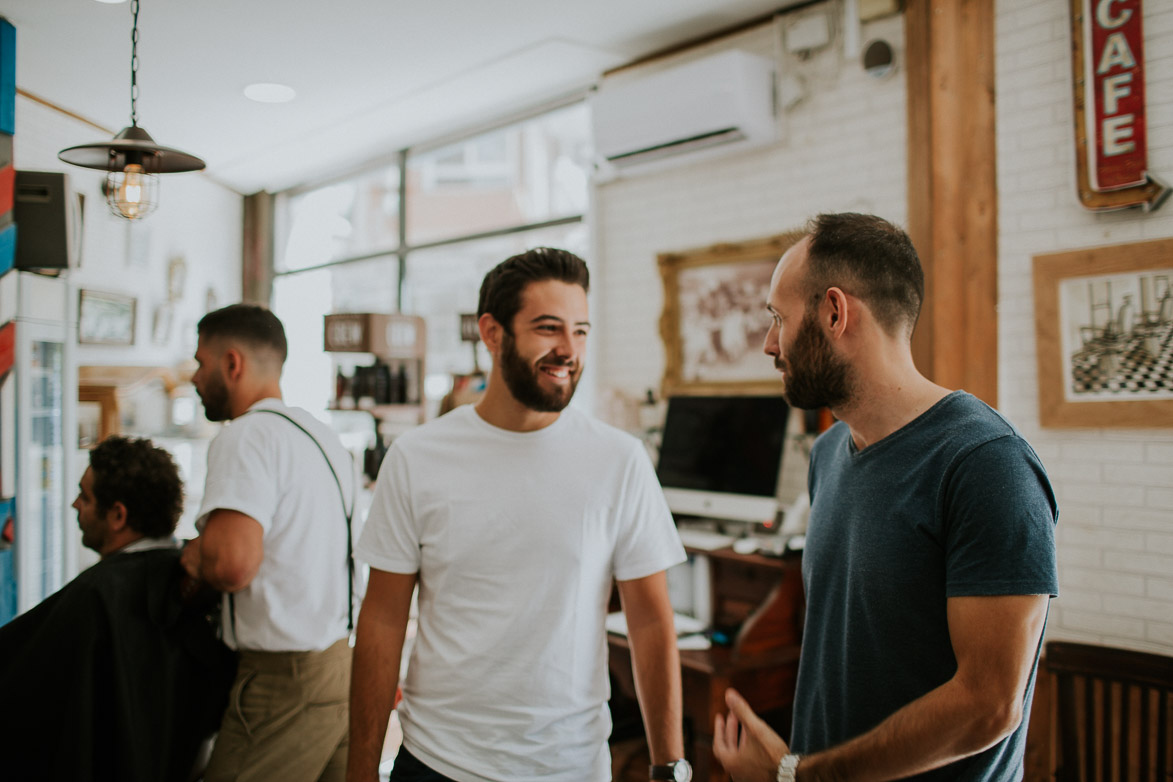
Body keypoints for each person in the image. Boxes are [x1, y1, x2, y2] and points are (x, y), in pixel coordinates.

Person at [712, 213, 1058, 781]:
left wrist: (800, 776)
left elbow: (989, 705)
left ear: (834, 311)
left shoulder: (987, 464)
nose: (770, 343)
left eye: (778, 317)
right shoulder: (826, 454)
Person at [348, 247, 690, 782]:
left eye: (580, 330)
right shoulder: (417, 457)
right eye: (548, 328)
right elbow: (383, 618)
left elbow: (650, 620)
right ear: (492, 332)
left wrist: (670, 766)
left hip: (570, 766)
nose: (568, 349)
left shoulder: (619, 461)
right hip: (439, 761)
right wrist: (361, 768)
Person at [181, 303, 358, 782]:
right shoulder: (322, 437)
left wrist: (194, 552)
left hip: (283, 680)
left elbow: (231, 565)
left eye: (200, 362)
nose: (194, 378)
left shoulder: (246, 435)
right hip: (338, 667)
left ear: (231, 363)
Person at [0, 435, 235, 782]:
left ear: (117, 515)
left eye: (85, 496)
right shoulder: (183, 583)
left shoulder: (97, 594)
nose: (74, 505)